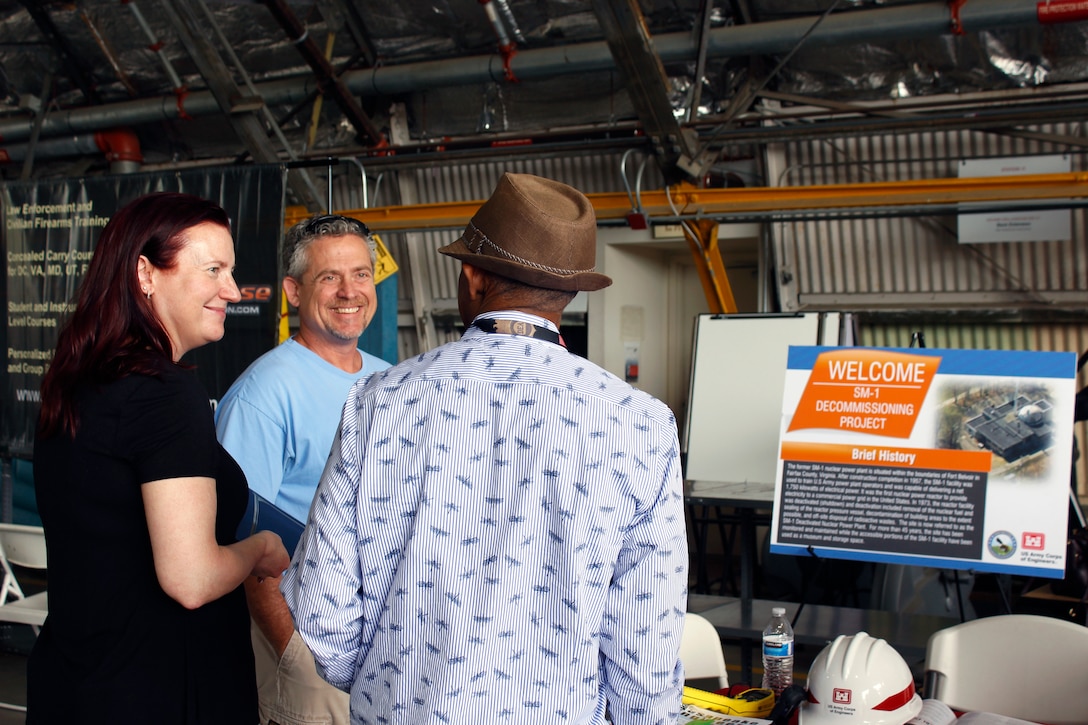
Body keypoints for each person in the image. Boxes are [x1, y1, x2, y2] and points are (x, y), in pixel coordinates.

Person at [281, 172, 688, 725]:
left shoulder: (381, 403)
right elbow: (647, 646)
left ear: (472, 277)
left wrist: (390, 681)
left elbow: (322, 613)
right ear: (569, 293)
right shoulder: (639, 423)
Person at [30, 191, 291, 724]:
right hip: (161, 690)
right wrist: (259, 549)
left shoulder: (77, 380)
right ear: (145, 273)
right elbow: (190, 580)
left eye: (232, 270)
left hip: (78, 682)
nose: (233, 290)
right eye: (213, 269)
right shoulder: (162, 392)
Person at [215, 213, 393, 725]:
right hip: (305, 648)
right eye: (328, 277)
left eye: (361, 274)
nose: (349, 292)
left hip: (378, 652)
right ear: (293, 291)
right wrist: (294, 655)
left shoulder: (390, 381)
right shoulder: (264, 395)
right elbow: (244, 540)